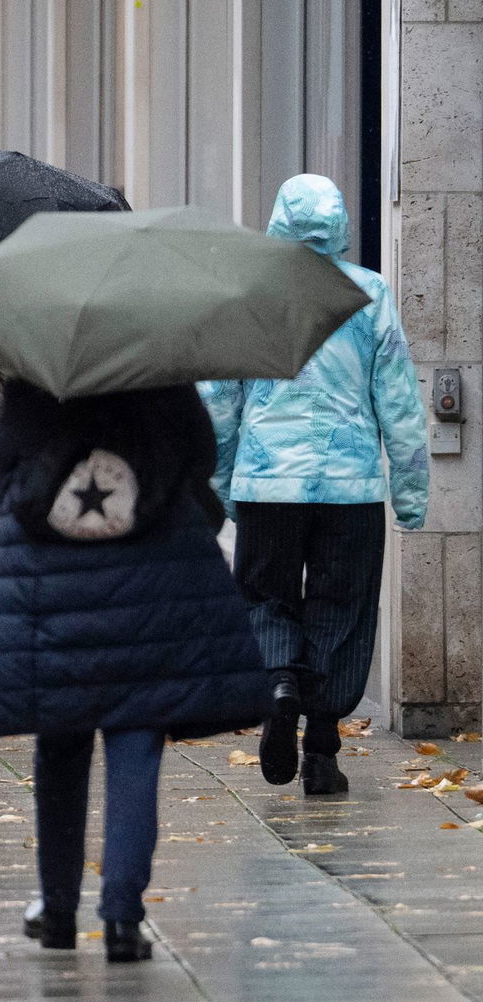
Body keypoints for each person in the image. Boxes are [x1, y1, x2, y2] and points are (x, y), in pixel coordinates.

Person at [0, 380, 269, 962]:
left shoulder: (42, 373)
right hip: (150, 576)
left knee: (60, 746)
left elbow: (3, 451)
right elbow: (200, 454)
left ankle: (57, 910)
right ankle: (122, 918)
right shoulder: (160, 370)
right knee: (137, 744)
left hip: (51, 578)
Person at [200, 173, 430, 795]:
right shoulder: (368, 293)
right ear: (341, 225)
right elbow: (398, 401)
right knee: (343, 609)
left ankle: (279, 683)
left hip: (267, 483)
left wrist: (222, 483)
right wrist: (411, 494)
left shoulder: (248, 293)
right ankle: (322, 750)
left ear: (277, 221)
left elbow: (219, 400)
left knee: (265, 598)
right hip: (351, 488)